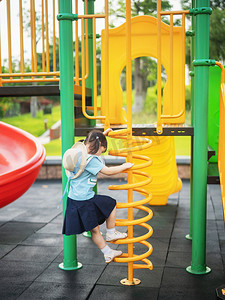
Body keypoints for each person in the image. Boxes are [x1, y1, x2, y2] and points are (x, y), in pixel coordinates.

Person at [62, 129, 134, 263]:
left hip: (73, 199)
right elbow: (107, 171)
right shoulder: (91, 160)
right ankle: (111, 232)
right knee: (111, 203)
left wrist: (102, 135)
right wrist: (124, 166)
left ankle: (108, 253)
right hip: (85, 200)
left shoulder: (79, 151)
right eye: (102, 150)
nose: (101, 153)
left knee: (94, 230)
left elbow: (93, 140)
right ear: (99, 145)